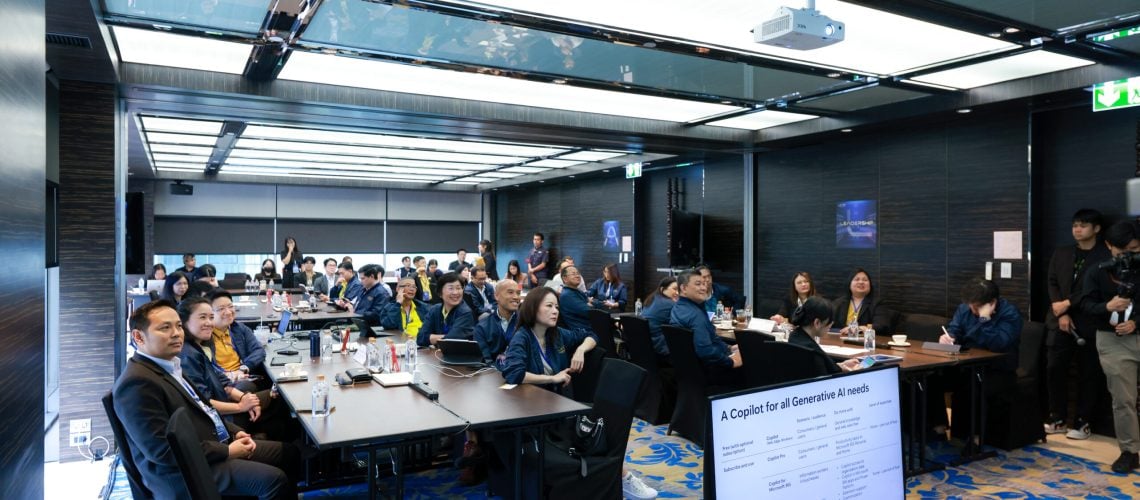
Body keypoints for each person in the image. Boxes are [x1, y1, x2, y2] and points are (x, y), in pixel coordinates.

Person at [112, 300, 297, 500]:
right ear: (138, 337)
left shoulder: (170, 364)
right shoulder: (136, 384)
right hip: (186, 473)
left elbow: (204, 409)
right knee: (274, 480)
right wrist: (226, 451)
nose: (176, 333)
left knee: (290, 454)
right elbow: (163, 452)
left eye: (178, 326)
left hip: (209, 445)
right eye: (165, 328)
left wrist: (234, 431)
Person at [1075, 220, 1140, 473]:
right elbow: (1084, 305)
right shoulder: (1097, 271)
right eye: (1122, 250)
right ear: (1109, 245)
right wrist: (1107, 307)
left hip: (1135, 331)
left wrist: (1135, 322)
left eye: (1134, 250)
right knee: (1123, 399)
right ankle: (1129, 451)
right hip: (1113, 340)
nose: (1128, 256)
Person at [1044, 209, 1111, 439]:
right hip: (1060, 321)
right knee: (1054, 369)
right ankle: (1057, 418)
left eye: (1083, 225)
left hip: (1089, 320)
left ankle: (1083, 422)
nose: (1077, 230)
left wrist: (1067, 304)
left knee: (1089, 372)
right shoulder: (1062, 252)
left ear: (1096, 228)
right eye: (1075, 225)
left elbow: (1096, 288)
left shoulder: (1105, 255)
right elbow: (1052, 281)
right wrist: (1060, 309)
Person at [930, 279, 1023, 442]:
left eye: (977, 307)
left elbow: (998, 344)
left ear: (992, 303)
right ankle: (938, 428)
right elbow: (955, 329)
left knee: (972, 386)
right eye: (970, 306)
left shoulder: (1010, 314)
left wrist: (984, 319)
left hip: (997, 370)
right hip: (965, 365)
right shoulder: (965, 308)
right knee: (930, 378)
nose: (972, 310)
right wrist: (949, 337)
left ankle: (973, 438)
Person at [502, 287, 598, 395]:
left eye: (557, 307)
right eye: (549, 306)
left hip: (559, 397)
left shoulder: (557, 333)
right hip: (533, 398)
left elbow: (591, 335)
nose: (555, 311)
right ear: (533, 308)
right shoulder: (522, 337)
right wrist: (552, 378)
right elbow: (513, 374)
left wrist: (581, 350)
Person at [669, 270, 743, 387]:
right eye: (698, 284)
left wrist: (729, 348)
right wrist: (731, 361)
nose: (704, 288)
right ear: (683, 288)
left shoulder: (678, 308)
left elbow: (711, 338)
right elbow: (705, 351)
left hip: (687, 373)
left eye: (704, 284)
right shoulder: (695, 315)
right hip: (709, 374)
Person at [784, 297, 862, 373]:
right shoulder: (813, 352)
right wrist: (849, 372)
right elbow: (825, 376)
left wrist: (840, 366)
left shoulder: (794, 337)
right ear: (817, 323)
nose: (830, 325)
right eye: (829, 322)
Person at [210, 291, 268, 385]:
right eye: (221, 309)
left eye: (230, 306)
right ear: (209, 313)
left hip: (244, 377)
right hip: (222, 383)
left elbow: (259, 350)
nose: (228, 312)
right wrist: (229, 376)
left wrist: (243, 369)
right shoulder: (205, 336)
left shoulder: (239, 328)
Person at [417, 272, 476, 347]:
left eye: (458, 288)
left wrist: (431, 338)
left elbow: (451, 341)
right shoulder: (435, 310)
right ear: (440, 293)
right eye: (451, 288)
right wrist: (446, 337)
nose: (455, 292)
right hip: (439, 353)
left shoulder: (465, 312)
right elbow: (420, 338)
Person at [474, 278, 521, 368]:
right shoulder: (482, 327)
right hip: (492, 373)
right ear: (496, 296)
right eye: (510, 292)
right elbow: (485, 361)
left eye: (518, 293)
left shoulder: (527, 323)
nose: (516, 297)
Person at [832, 268, 894, 335]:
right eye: (857, 279)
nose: (861, 282)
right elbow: (828, 324)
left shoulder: (878, 303)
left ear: (870, 285)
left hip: (865, 339)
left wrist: (860, 328)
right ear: (849, 284)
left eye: (865, 280)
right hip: (840, 338)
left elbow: (881, 325)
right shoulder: (838, 303)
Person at [642, 277, 679, 357]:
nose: (677, 293)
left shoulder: (652, 298)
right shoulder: (669, 304)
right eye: (675, 289)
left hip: (645, 344)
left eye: (679, 290)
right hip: (659, 346)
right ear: (662, 289)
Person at [556, 266, 592, 334]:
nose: (577, 276)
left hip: (588, 327)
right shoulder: (567, 295)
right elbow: (589, 312)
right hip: (582, 332)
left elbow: (591, 302)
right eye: (573, 274)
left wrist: (590, 304)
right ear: (565, 278)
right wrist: (589, 304)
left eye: (578, 273)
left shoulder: (577, 291)